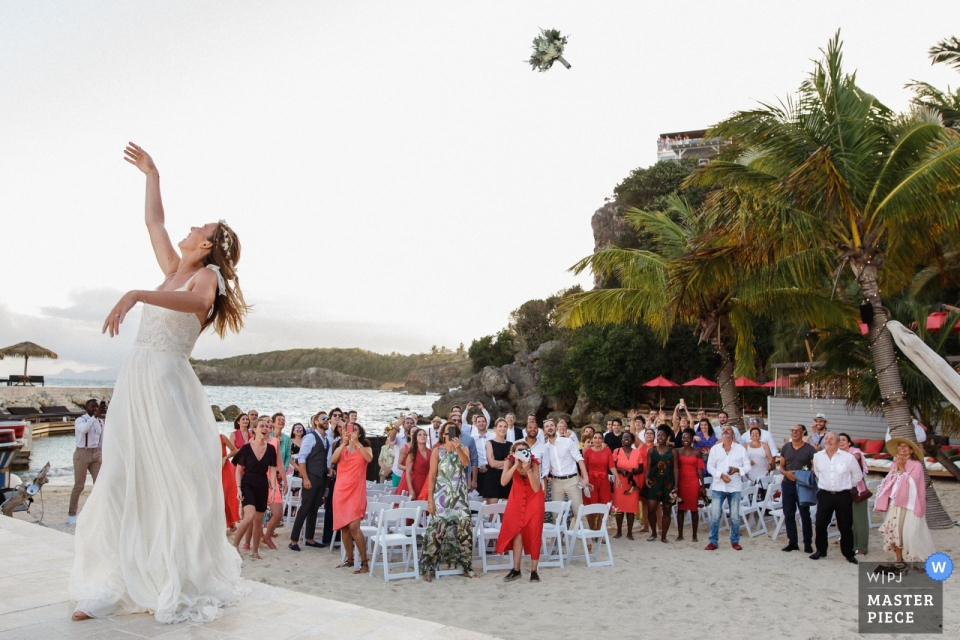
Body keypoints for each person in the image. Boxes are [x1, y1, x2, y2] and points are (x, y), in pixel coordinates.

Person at [70, 143, 245, 623]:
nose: (190, 229)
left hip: (168, 382)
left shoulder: (206, 276)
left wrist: (134, 293)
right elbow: (155, 223)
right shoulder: (174, 269)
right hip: (136, 379)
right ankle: (112, 584)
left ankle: (172, 578)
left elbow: (194, 306)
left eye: (199, 229)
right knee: (123, 477)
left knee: (173, 480)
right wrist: (153, 174)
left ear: (208, 246)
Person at [420, 422, 476, 581]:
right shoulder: (437, 451)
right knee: (436, 533)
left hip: (460, 497)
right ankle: (428, 568)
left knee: (465, 531)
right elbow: (431, 476)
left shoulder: (464, 448)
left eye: (453, 432)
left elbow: (466, 464)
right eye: (447, 432)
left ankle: (466, 566)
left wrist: (458, 447)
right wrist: (430, 501)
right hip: (441, 498)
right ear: (442, 435)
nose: (450, 435)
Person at [874, 438, 936, 563]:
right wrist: (897, 466)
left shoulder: (916, 465)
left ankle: (917, 559)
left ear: (911, 450)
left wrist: (901, 467)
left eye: (905, 446)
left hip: (911, 504)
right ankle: (899, 560)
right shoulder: (894, 463)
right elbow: (890, 481)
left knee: (911, 532)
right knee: (895, 531)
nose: (902, 448)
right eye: (900, 446)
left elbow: (912, 484)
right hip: (896, 503)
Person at [810, 432, 862, 564]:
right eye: (826, 439)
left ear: (838, 442)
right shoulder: (817, 456)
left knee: (845, 526)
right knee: (820, 524)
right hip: (825, 494)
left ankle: (848, 553)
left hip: (843, 495)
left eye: (832, 439)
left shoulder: (848, 457)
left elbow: (857, 475)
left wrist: (847, 485)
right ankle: (821, 550)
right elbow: (817, 472)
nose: (828, 441)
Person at [497, 441, 545, 582]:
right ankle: (516, 569)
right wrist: (516, 465)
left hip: (534, 500)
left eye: (525, 450)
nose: (522, 453)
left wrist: (528, 469)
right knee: (517, 533)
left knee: (534, 532)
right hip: (517, 500)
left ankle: (534, 571)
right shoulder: (509, 462)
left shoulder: (534, 463)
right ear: (513, 452)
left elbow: (536, 488)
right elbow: (503, 482)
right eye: (519, 451)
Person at [232, 418, 277, 559]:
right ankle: (234, 547)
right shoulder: (246, 448)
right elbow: (238, 470)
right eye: (262, 426)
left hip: (262, 484)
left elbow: (273, 469)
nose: (265, 428)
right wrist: (239, 488)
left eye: (267, 426)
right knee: (249, 516)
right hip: (247, 483)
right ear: (255, 429)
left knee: (258, 521)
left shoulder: (270, 449)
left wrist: (274, 487)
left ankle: (255, 551)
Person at [331, 423, 373, 574]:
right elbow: (333, 460)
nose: (351, 433)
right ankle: (349, 560)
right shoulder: (341, 448)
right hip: (341, 490)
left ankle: (364, 562)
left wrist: (357, 444)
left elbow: (369, 459)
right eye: (349, 430)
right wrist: (344, 443)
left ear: (360, 434)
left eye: (355, 430)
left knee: (354, 527)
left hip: (356, 491)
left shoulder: (365, 448)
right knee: (344, 527)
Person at [705, 426, 750, 551]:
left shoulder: (740, 449)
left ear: (733, 434)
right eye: (723, 429)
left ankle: (735, 541)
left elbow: (747, 466)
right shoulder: (715, 449)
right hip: (718, 486)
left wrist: (737, 470)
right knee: (715, 515)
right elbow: (710, 467)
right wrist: (720, 475)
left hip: (734, 486)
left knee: (735, 516)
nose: (725, 431)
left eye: (728, 429)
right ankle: (713, 541)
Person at [288, 413, 329, 551]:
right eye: (324, 418)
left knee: (314, 508)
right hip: (311, 476)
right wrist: (305, 478)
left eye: (327, 418)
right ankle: (293, 541)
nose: (326, 420)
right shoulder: (310, 437)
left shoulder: (326, 439)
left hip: (321, 477)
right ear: (316, 422)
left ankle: (309, 538)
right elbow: (302, 458)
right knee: (305, 507)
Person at [543, 418, 589, 528]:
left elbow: (579, 459)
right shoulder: (545, 448)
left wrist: (585, 478)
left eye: (551, 425)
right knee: (556, 515)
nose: (549, 428)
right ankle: (558, 541)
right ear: (544, 431)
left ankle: (588, 542)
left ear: (555, 428)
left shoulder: (568, 441)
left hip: (572, 480)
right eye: (547, 426)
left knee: (579, 512)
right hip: (556, 482)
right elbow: (546, 466)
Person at [778, 424, 817, 553]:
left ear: (803, 433)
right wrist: (785, 473)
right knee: (788, 514)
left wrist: (804, 475)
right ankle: (792, 542)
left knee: (804, 514)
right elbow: (782, 466)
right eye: (792, 430)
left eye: (797, 431)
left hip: (803, 485)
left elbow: (815, 468)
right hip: (788, 484)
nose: (794, 433)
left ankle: (807, 543)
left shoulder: (810, 449)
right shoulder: (786, 448)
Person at [68, 399, 104, 526]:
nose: (95, 408)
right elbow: (83, 430)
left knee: (100, 484)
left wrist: (101, 453)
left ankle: (99, 512)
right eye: (92, 406)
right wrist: (94, 417)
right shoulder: (80, 420)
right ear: (86, 407)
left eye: (97, 407)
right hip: (82, 454)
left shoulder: (100, 422)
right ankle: (72, 514)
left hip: (96, 454)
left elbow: (102, 439)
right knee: (79, 485)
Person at [643, 426, 678, 543]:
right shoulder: (651, 450)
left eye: (662, 435)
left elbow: (676, 469)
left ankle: (664, 535)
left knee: (667, 509)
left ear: (667, 437)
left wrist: (676, 485)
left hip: (668, 482)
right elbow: (648, 467)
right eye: (658, 435)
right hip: (654, 481)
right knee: (651, 509)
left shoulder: (672, 451)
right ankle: (653, 532)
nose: (660, 437)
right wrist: (646, 477)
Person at [838, 433, 870, 556]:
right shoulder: (836, 454)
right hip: (843, 489)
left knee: (859, 519)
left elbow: (857, 456)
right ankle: (849, 543)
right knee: (846, 518)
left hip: (857, 489)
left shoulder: (854, 451)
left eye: (843, 440)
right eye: (839, 440)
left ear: (849, 443)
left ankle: (861, 546)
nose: (841, 442)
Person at [675, 428, 705, 542]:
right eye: (684, 437)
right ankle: (680, 534)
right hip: (681, 483)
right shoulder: (677, 451)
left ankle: (694, 535)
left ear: (692, 439)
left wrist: (702, 485)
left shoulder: (697, 452)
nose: (686, 439)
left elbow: (700, 470)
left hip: (693, 483)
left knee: (694, 509)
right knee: (680, 509)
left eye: (688, 438)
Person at [582, 432, 615, 530]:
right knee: (591, 507)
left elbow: (611, 466)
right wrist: (584, 480)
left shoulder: (607, 451)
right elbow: (584, 467)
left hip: (604, 481)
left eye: (599, 438)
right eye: (595, 438)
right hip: (592, 481)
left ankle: (601, 531)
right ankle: (591, 530)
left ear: (603, 440)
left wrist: (617, 477)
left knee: (603, 506)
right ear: (592, 439)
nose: (597, 440)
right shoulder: (587, 451)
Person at [612, 432, 642, 539]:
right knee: (618, 507)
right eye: (624, 437)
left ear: (633, 441)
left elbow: (641, 468)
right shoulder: (616, 451)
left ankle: (629, 532)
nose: (626, 439)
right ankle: (619, 531)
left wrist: (632, 472)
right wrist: (621, 471)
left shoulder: (637, 453)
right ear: (621, 440)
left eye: (628, 437)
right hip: (620, 482)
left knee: (631, 508)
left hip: (632, 483)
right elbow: (612, 467)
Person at [321, 410, 344, 547]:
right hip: (332, 473)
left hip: (344, 476)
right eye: (334, 415)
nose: (337, 418)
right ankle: (329, 537)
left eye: (339, 416)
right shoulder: (330, 437)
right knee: (330, 505)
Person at [483, 418, 513, 503]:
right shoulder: (489, 443)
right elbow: (492, 463)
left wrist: (501, 464)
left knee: (505, 513)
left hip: (506, 480)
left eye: (505, 427)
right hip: (492, 480)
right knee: (493, 513)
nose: (502, 429)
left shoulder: (510, 445)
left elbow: (512, 464)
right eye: (500, 426)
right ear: (495, 428)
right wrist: (507, 464)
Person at [220, 431, 240, 532]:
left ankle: (231, 522)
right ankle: (221, 524)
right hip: (213, 471)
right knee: (217, 498)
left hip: (225, 470)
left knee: (225, 496)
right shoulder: (204, 440)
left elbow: (234, 450)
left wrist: (225, 457)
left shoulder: (221, 437)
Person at [405, 427, 432, 500]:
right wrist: (410, 489)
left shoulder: (431, 452)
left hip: (430, 483)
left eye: (424, 434)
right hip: (417, 483)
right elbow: (408, 473)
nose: (423, 436)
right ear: (415, 438)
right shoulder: (412, 454)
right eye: (419, 435)